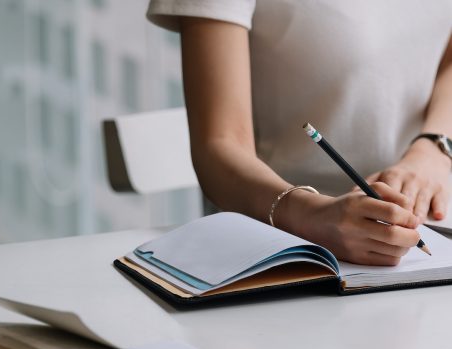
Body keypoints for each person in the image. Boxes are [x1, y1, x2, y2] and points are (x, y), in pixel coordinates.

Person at [147, 1, 452, 265]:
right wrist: (309, 216)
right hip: (286, 245)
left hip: (431, 219)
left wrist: (435, 147)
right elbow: (219, 145)